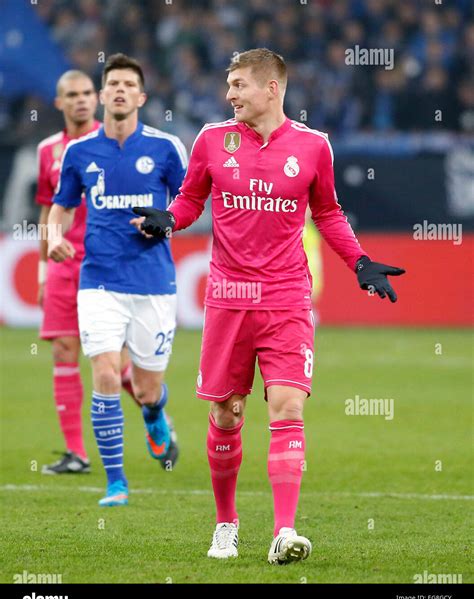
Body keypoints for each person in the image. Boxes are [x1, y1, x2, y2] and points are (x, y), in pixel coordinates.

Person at [132, 48, 405, 564]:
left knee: (288, 406)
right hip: (229, 298)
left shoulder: (313, 146)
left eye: (238, 84)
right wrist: (170, 218)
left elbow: (326, 212)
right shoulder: (213, 140)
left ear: (271, 88)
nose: (229, 94)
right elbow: (192, 198)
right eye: (229, 85)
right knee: (227, 413)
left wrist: (360, 263)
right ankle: (226, 524)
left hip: (286, 298)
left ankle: (283, 532)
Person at [47, 54, 187, 506]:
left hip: (152, 283)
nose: (121, 91)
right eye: (114, 84)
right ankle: (116, 482)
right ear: (103, 95)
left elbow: (190, 204)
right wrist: (52, 236)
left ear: (142, 97)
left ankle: (154, 414)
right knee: (106, 373)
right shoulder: (79, 152)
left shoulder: (166, 148)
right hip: (99, 281)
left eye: (130, 84)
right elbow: (63, 204)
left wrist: (165, 222)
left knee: (146, 388)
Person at [36, 69, 140, 475]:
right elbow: (48, 209)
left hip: (105, 262)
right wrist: (43, 270)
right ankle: (76, 453)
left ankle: (153, 409)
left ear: (95, 99)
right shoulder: (48, 150)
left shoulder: (112, 141)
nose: (80, 100)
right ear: (59, 103)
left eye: (85, 93)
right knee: (63, 349)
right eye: (71, 95)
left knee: (115, 362)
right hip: (63, 263)